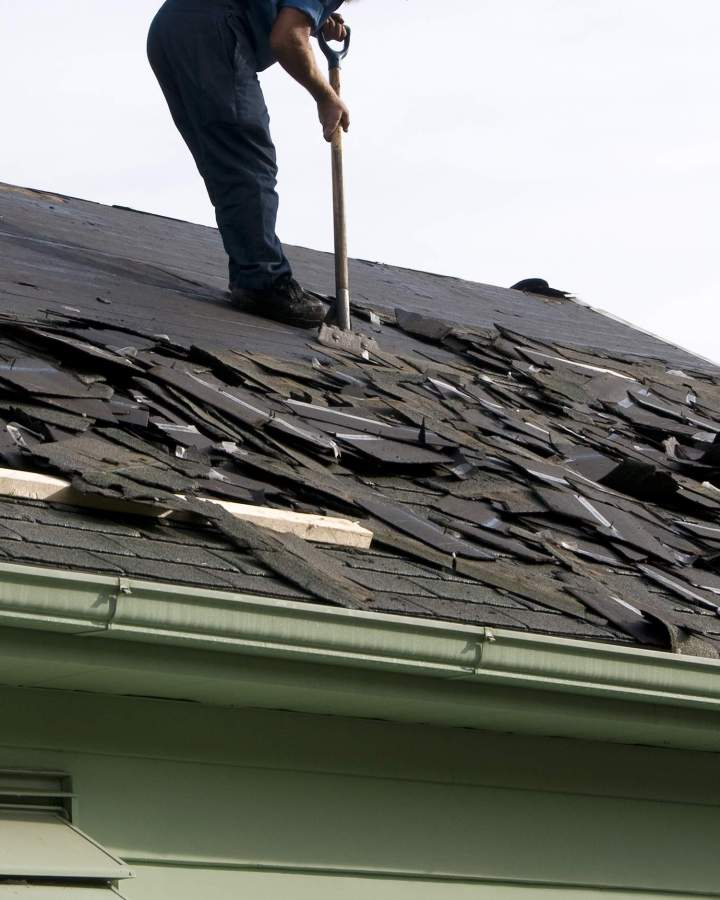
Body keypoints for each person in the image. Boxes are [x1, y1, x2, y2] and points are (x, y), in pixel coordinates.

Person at [147, 1, 351, 327]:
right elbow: (287, 37)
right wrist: (325, 96)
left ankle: (253, 273)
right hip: (211, 31)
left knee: (227, 162)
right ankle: (262, 280)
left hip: (170, 30)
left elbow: (286, 16)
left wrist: (316, 17)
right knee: (248, 158)